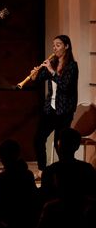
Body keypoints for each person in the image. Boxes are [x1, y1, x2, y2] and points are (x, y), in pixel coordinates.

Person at [32, 35, 78, 177]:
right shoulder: (52, 62)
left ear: (66, 46)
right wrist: (34, 75)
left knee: (60, 143)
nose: (55, 48)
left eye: (58, 45)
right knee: (38, 139)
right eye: (54, 45)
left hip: (64, 110)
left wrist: (52, 71)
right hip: (50, 109)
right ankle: (42, 170)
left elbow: (65, 86)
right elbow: (39, 79)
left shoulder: (72, 66)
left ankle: (66, 172)